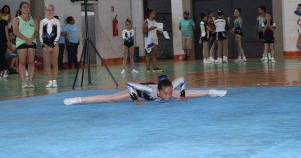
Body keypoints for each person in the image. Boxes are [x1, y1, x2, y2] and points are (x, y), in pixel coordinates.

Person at [63, 75, 227, 106]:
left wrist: (181, 94)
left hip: (154, 91)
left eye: (170, 92)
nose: (169, 96)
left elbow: (182, 80)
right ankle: (79, 100)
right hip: (139, 92)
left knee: (186, 93)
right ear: (159, 91)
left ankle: (212, 92)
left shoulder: (168, 89)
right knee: (112, 98)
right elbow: (130, 84)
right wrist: (135, 99)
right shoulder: (149, 90)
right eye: (167, 93)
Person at [12, 1, 39, 88]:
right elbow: (15, 31)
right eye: (24, 7)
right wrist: (25, 39)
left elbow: (36, 31)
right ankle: (23, 82)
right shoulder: (16, 19)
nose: (26, 8)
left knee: (31, 62)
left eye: (27, 7)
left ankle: (30, 81)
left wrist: (31, 39)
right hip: (21, 42)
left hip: (32, 42)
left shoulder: (34, 19)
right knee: (22, 62)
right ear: (20, 9)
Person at [40, 4, 61, 88]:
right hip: (45, 44)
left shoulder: (56, 21)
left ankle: (55, 81)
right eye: (48, 10)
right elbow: (40, 34)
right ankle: (50, 81)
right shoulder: (42, 21)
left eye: (51, 10)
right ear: (45, 11)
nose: (49, 11)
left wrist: (52, 45)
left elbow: (58, 34)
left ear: (53, 10)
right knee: (47, 63)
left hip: (54, 44)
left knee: (54, 62)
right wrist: (43, 45)